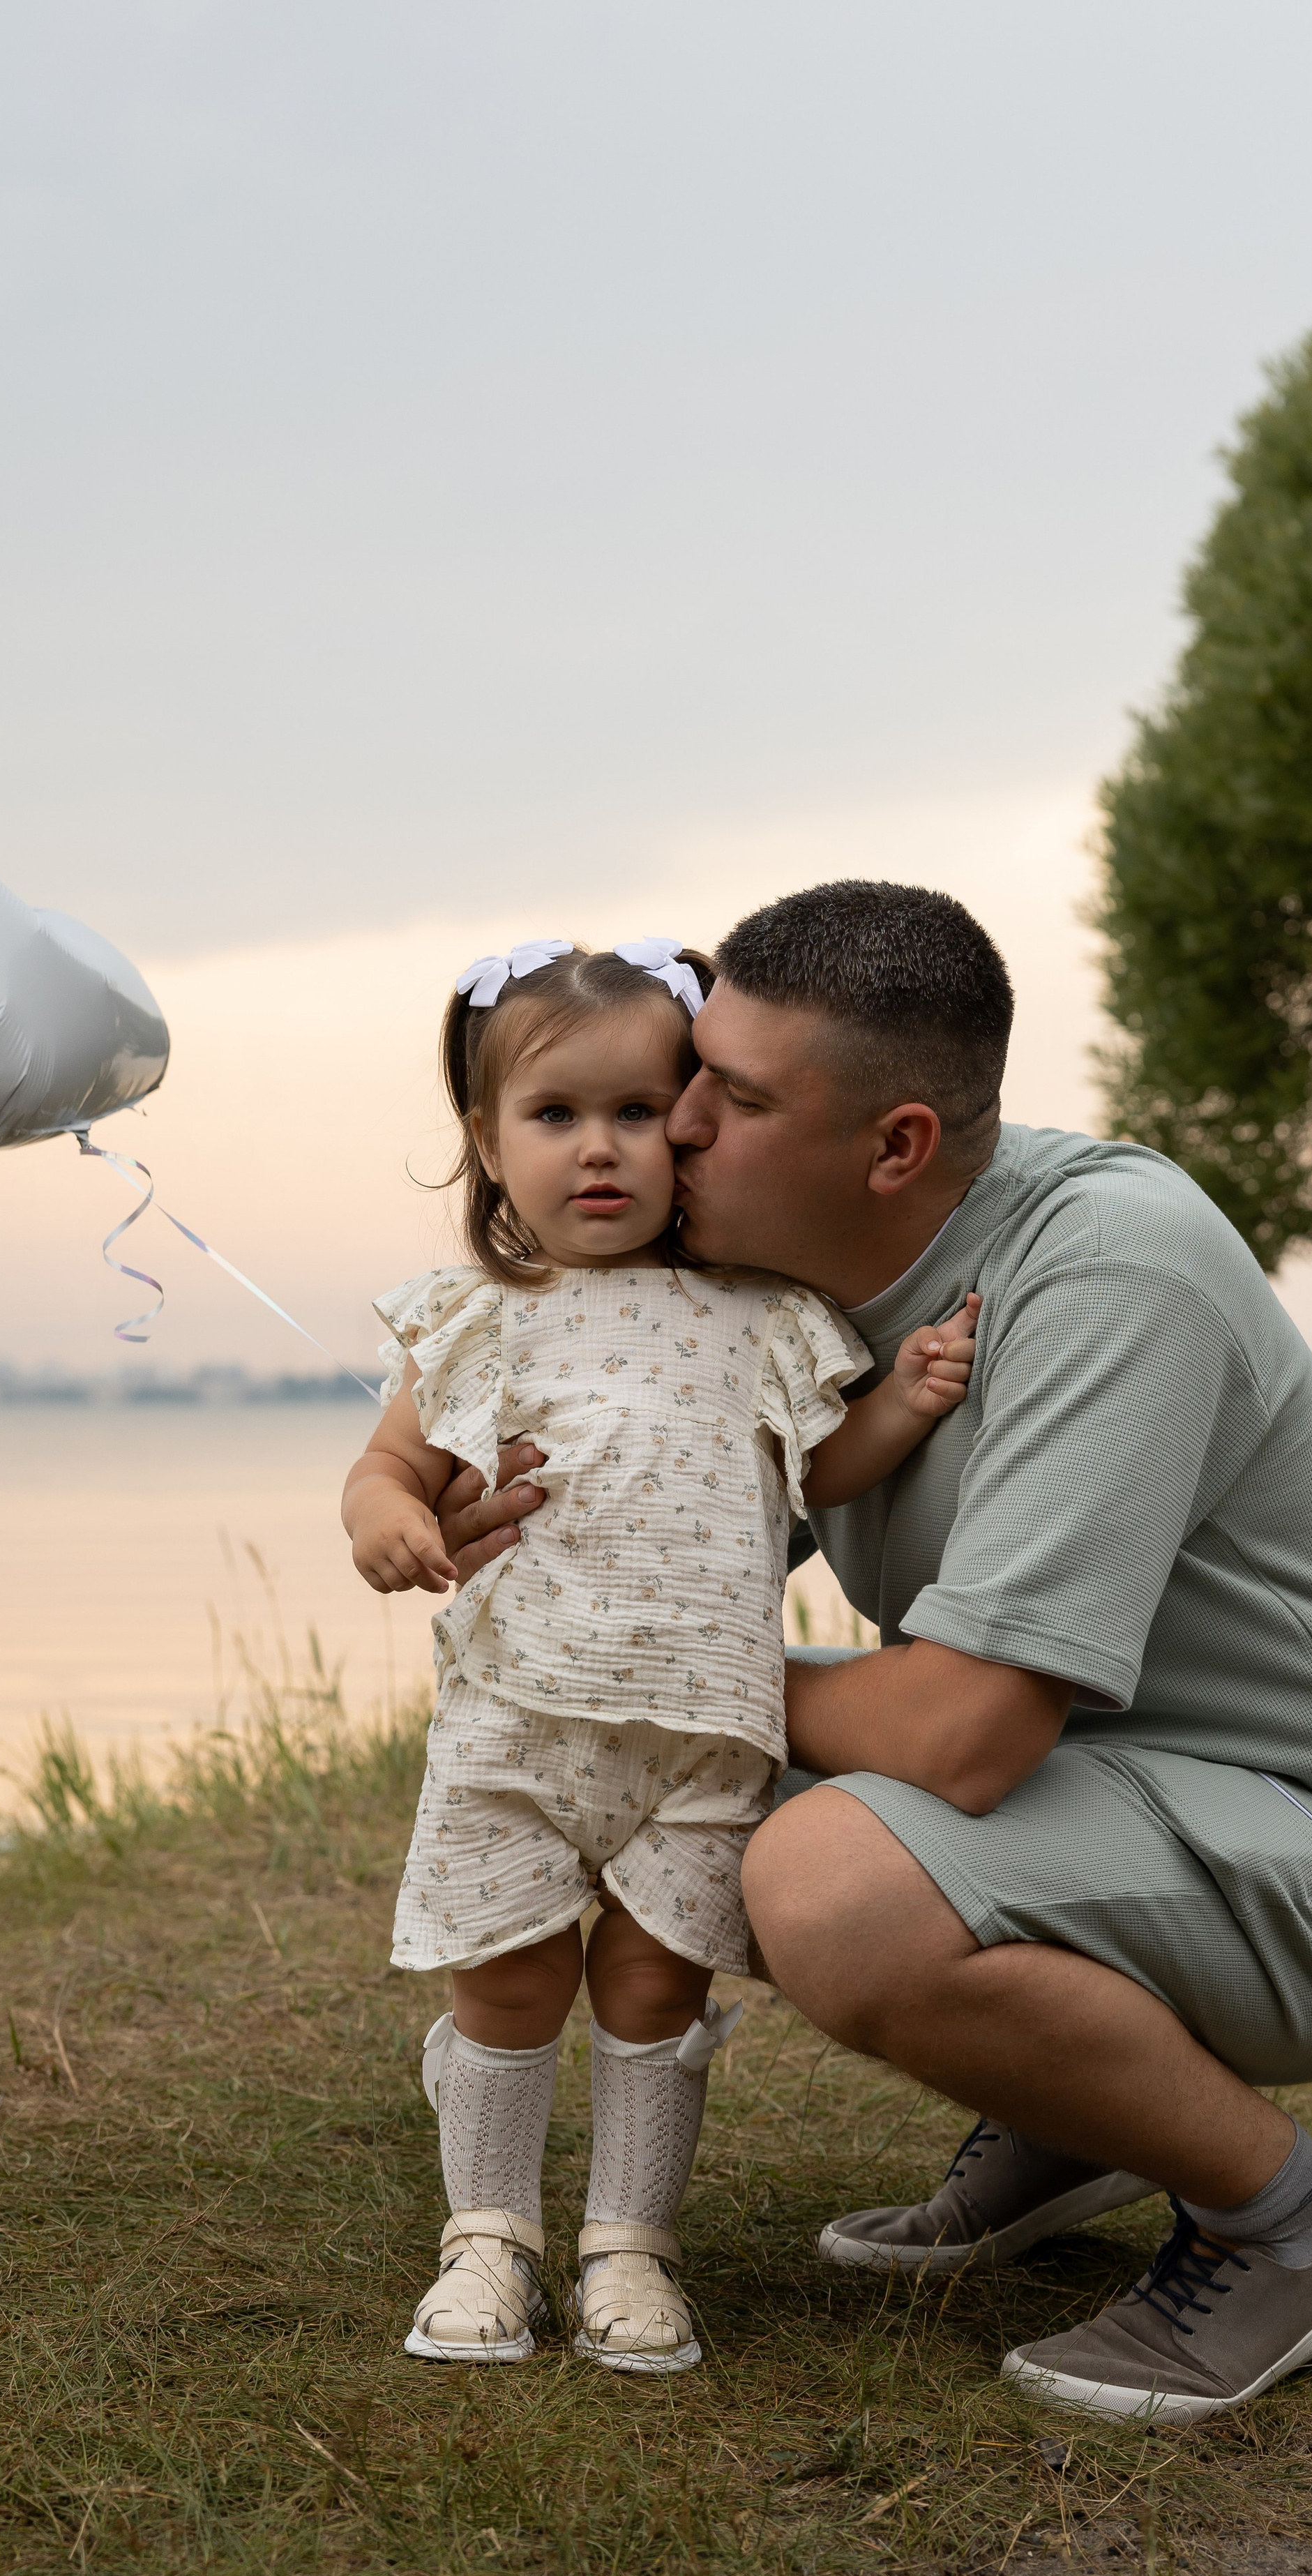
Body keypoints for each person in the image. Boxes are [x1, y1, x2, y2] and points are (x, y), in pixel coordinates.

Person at [438, 882, 1312, 2427]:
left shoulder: (1107, 1272)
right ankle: (1074, 2117)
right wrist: (494, 1525)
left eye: (726, 1101)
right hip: (1131, 1796)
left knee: (826, 1877)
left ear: (896, 1147)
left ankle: (1288, 2231)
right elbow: (667, 1560)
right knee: (674, 1789)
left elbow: (959, 1738)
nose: (669, 1128)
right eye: (689, 1076)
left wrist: (617, 1676)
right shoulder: (783, 1291)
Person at [340, 936, 980, 2377]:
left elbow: (827, 1467)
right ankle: (487, 2236)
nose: (601, 1150)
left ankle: (630, 2245)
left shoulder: (763, 1316)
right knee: (506, 1983)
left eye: (638, 1111)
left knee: (651, 1987)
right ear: (487, 1148)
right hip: (515, 1725)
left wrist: (913, 1400)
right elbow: (385, 1467)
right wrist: (386, 1523)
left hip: (696, 1732)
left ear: (689, 1126)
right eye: (554, 1117)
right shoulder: (475, 1321)